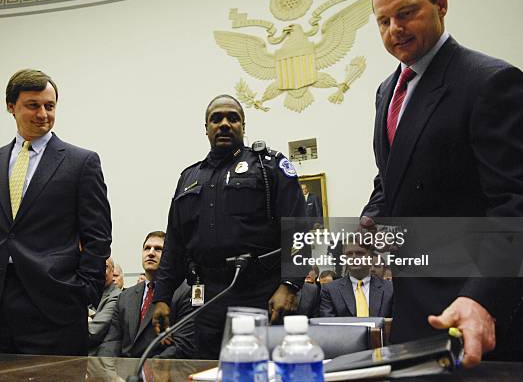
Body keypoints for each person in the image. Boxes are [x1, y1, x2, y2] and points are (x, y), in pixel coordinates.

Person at [362, 0, 523, 366]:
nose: (394, 30)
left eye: (406, 14)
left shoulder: (490, 82)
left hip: (475, 316)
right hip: (414, 314)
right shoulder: (387, 91)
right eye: (383, 21)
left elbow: (518, 205)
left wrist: (483, 297)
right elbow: (391, 177)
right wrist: (371, 217)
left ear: (440, 5)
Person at [0, 69, 112, 355]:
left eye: (50, 105)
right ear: (11, 107)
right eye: (33, 105)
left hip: (54, 307)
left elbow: (98, 236)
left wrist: (82, 292)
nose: (43, 113)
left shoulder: (82, 163)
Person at [152, 94, 306, 359]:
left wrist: (290, 284)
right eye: (216, 119)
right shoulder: (189, 178)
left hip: (262, 294)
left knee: (261, 371)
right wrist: (162, 297)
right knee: (211, 369)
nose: (224, 124)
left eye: (232, 118)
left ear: (243, 126)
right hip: (208, 297)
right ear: (206, 128)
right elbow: (175, 244)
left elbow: (301, 228)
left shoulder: (269, 166)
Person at [96, 231, 194, 358]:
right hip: (123, 373)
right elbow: (112, 342)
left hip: (160, 370)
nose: (151, 253)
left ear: (170, 255)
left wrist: (146, 370)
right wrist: (104, 370)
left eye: (158, 249)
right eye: (147, 248)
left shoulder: (184, 292)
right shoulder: (125, 296)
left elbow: (183, 343)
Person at [319, 242, 393, 318]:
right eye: (349, 254)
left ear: (370, 257)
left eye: (359, 253)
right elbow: (328, 325)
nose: (354, 257)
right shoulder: (330, 290)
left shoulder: (390, 289)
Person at [88, 257, 122, 354]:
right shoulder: (90, 291)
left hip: (96, 357)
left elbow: (93, 332)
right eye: (96, 266)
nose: (100, 270)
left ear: (112, 270)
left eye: (105, 266)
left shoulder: (116, 296)